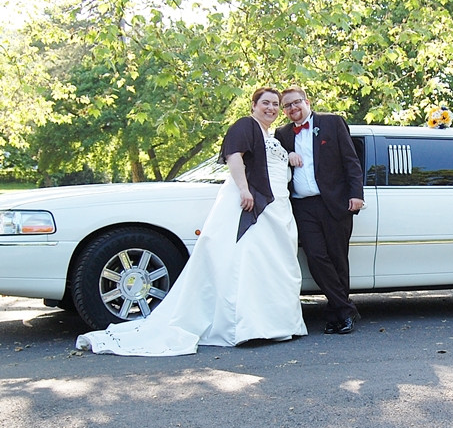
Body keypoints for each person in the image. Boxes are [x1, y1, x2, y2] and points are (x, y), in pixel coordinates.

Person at [75, 87, 307, 356]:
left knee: (271, 266)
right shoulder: (245, 125)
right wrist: (243, 190)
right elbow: (235, 157)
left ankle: (275, 325)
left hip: (277, 211)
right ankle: (246, 327)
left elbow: (269, 162)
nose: (272, 108)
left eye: (275, 104)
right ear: (253, 105)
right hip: (252, 207)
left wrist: (288, 156)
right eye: (265, 103)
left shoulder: (273, 138)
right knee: (246, 263)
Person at [274, 86, 364, 335]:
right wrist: (288, 155)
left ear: (307, 101)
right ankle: (345, 310)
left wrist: (356, 194)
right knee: (315, 257)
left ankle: (338, 314)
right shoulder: (281, 134)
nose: (293, 108)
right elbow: (273, 161)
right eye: (287, 106)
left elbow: (350, 160)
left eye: (296, 103)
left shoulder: (333, 123)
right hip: (302, 205)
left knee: (337, 258)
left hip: (335, 202)